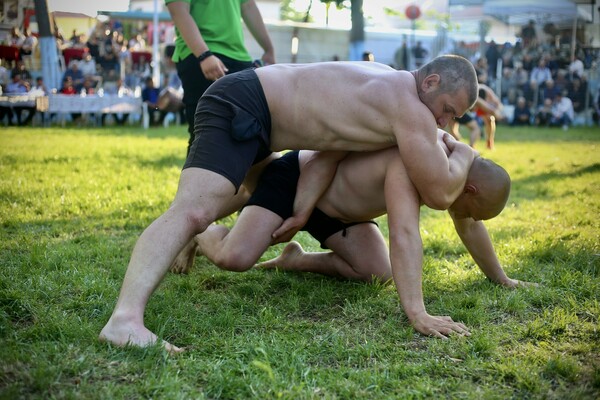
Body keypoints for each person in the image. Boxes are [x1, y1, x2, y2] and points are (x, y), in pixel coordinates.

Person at [99, 55, 480, 352]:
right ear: (430, 82)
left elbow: (329, 151)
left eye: (454, 119)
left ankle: (199, 235)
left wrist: (302, 210)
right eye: (447, 110)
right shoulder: (408, 107)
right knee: (194, 210)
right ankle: (124, 320)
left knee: (241, 203)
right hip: (243, 102)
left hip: (273, 131)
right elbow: (438, 193)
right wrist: (463, 154)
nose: (445, 123)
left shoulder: (390, 85)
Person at [169, 131, 529, 340]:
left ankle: (295, 259)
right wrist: (418, 314)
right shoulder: (423, 157)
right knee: (235, 257)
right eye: (471, 210)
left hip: (342, 215)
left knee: (378, 271)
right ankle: (202, 233)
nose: (465, 218)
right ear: (470, 190)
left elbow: (469, 225)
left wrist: (502, 279)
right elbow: (404, 232)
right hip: (299, 180)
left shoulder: (454, 169)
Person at [166, 0, 276, 155]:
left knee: (254, 135)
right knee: (206, 137)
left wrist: (269, 49)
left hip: (239, 57)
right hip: (201, 56)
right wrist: (204, 55)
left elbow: (248, 6)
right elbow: (178, 10)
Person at [473, 83, 503, 150]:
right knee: (474, 125)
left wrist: (498, 112)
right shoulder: (473, 92)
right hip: (475, 104)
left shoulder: (488, 92)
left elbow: (498, 104)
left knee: (490, 120)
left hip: (486, 105)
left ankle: (490, 141)